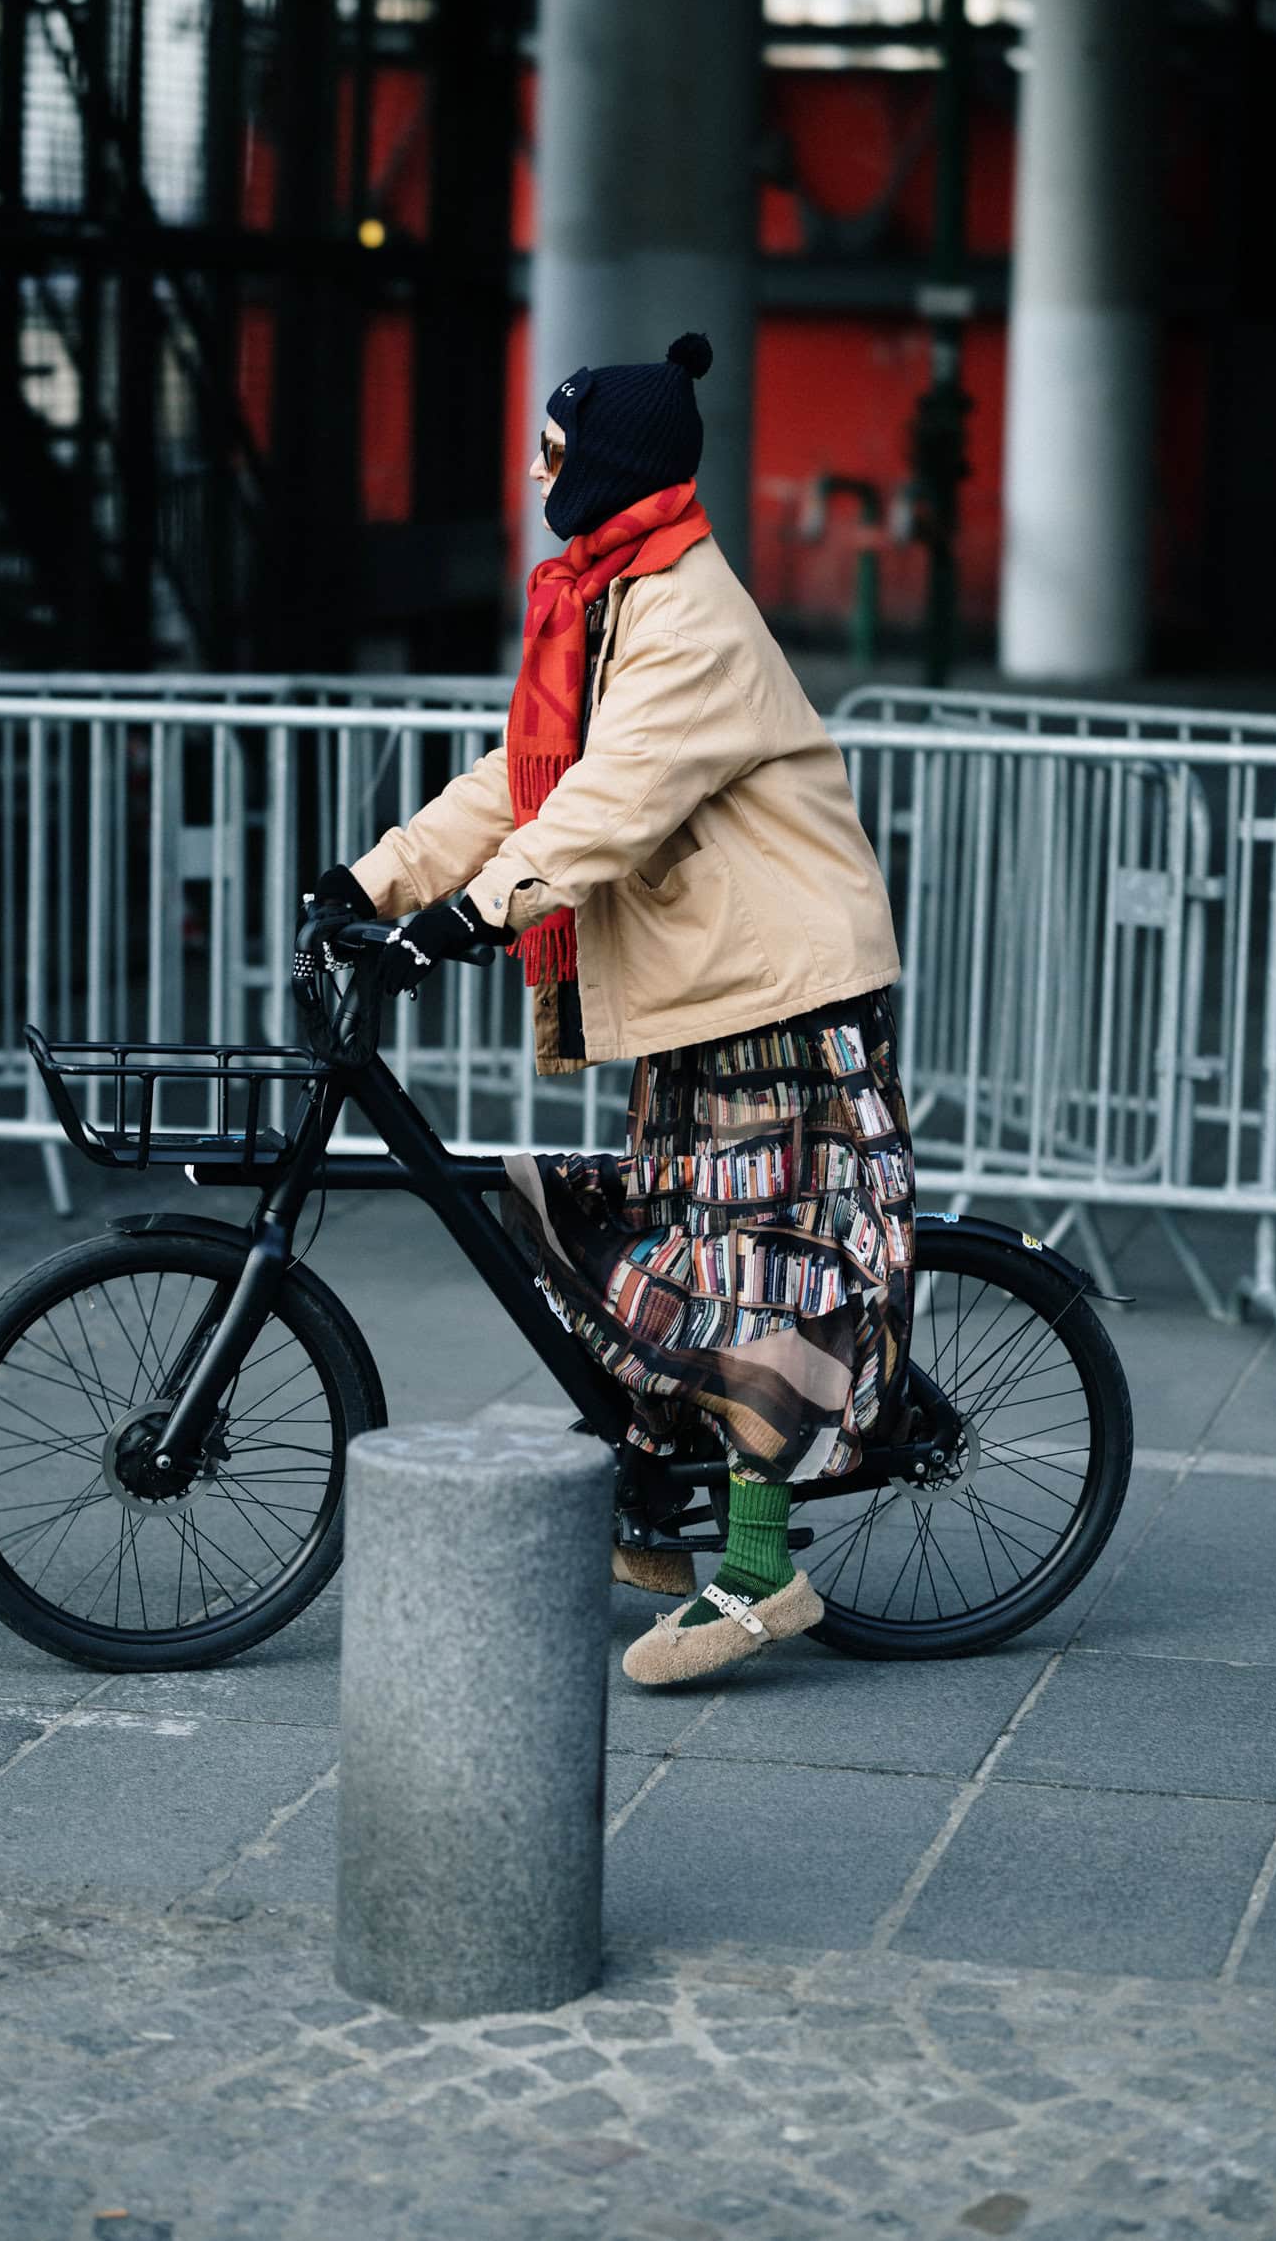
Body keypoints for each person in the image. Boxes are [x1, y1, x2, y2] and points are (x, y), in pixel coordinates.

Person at [309, 332, 914, 1686]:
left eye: (555, 451)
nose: (536, 471)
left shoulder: (687, 614)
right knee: (665, 1233)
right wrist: (375, 876)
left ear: (612, 468)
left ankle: (763, 1572)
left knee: (762, 1257)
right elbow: (519, 782)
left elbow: (605, 805)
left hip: (786, 983)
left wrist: (468, 919)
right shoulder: (605, 596)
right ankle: (657, 1494)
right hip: (710, 985)